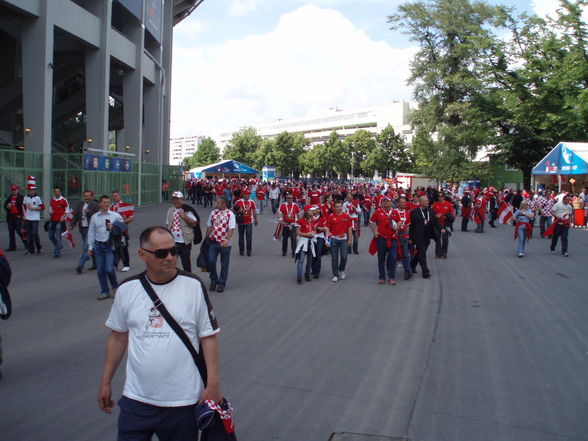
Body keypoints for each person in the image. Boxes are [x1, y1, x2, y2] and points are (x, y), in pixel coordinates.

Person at [97, 226, 222, 441]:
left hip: (182, 403)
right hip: (136, 400)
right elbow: (118, 337)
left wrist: (213, 385)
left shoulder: (192, 286)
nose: (170, 257)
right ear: (142, 255)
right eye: (162, 253)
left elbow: (208, 337)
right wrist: (106, 382)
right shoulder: (128, 289)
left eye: (173, 251)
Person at [88, 195, 124, 300]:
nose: (106, 204)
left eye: (108, 202)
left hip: (110, 246)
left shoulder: (115, 216)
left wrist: (114, 227)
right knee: (100, 271)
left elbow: (123, 227)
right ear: (100, 204)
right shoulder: (95, 217)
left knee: (109, 269)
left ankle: (115, 286)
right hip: (98, 246)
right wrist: (90, 247)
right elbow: (91, 232)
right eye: (104, 202)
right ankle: (104, 291)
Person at [206, 196, 236, 293]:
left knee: (224, 264)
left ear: (224, 204)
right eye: (216, 202)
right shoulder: (213, 212)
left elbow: (231, 229)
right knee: (211, 261)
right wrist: (206, 239)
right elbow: (209, 226)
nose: (216, 204)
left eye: (218, 202)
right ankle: (214, 280)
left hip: (224, 244)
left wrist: (227, 240)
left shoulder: (230, 214)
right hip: (213, 242)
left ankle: (221, 284)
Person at [165, 191, 200, 273]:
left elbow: (194, 223)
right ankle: (171, 280)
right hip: (172, 242)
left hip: (184, 242)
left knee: (186, 264)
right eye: (173, 199)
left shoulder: (187, 210)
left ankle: (189, 280)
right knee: (171, 263)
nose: (175, 201)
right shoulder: (170, 210)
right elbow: (168, 224)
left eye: (177, 199)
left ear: (181, 199)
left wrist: (184, 217)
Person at [409, 196, 443, 279]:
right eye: (426, 201)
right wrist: (410, 238)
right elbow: (411, 226)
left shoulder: (431, 211)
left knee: (420, 253)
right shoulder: (414, 212)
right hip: (418, 237)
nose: (428, 202)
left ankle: (412, 265)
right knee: (422, 254)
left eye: (428, 200)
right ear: (421, 203)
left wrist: (442, 228)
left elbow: (436, 222)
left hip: (427, 236)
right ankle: (425, 272)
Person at [369, 196, 399, 285]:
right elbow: (371, 221)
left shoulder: (395, 212)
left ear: (391, 202)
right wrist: (374, 231)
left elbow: (399, 222)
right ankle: (382, 277)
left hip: (392, 238)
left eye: (387, 201)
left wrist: (398, 226)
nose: (385, 202)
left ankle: (392, 276)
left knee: (393, 257)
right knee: (381, 258)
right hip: (381, 238)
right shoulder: (378, 212)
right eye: (384, 201)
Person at [69, 190, 99, 274]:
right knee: (91, 247)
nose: (86, 197)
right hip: (83, 228)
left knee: (86, 247)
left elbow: (98, 216)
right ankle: (95, 264)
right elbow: (75, 215)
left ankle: (80, 266)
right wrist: (72, 224)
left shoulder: (95, 205)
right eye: (85, 196)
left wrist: (89, 212)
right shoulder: (80, 204)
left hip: (91, 229)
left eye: (88, 196)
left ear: (91, 197)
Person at [324, 200, 352, 282]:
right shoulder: (331, 216)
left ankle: (342, 269)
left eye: (340, 206)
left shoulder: (346, 216)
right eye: (337, 207)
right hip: (334, 239)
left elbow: (349, 228)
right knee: (334, 258)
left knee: (344, 256)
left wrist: (350, 239)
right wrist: (326, 240)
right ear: (334, 208)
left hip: (343, 239)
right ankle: (335, 275)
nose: (339, 208)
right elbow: (327, 229)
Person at [110, 190, 134, 272]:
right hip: (112, 231)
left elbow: (131, 218)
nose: (114, 197)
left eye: (116, 195)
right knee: (114, 248)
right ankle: (114, 264)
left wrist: (121, 223)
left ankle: (126, 264)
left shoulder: (126, 206)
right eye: (113, 196)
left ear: (120, 196)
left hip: (123, 231)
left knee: (123, 248)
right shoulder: (110, 207)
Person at [392, 196, 412, 281]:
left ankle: (407, 272)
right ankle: (390, 270)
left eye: (405, 202)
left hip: (403, 236)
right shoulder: (393, 212)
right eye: (402, 202)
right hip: (395, 235)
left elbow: (407, 225)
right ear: (398, 203)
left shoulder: (407, 213)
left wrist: (407, 235)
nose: (404, 204)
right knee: (393, 255)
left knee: (405, 254)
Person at [294, 207, 316, 284]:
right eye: (311, 212)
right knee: (301, 260)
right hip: (303, 241)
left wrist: (313, 234)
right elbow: (298, 232)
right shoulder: (301, 221)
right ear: (307, 213)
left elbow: (314, 230)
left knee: (310, 260)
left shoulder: (312, 222)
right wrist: (307, 234)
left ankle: (307, 275)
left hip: (310, 241)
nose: (312, 214)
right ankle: (299, 277)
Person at [47, 186, 69, 259]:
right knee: (50, 236)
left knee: (58, 235)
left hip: (60, 220)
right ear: (54, 193)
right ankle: (59, 245)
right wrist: (50, 213)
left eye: (58, 192)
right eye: (56, 192)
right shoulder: (52, 200)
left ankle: (57, 252)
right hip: (53, 220)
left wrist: (64, 217)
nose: (57, 193)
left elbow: (67, 210)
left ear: (60, 192)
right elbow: (50, 209)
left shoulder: (63, 200)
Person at [234, 190, 258, 257]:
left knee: (249, 237)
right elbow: (234, 211)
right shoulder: (238, 202)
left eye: (248, 194)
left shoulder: (252, 202)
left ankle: (249, 251)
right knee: (241, 237)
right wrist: (238, 210)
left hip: (249, 222)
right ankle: (241, 250)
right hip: (241, 222)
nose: (248, 196)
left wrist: (256, 220)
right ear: (243, 195)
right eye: (247, 194)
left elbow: (254, 211)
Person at [23, 184, 44, 255]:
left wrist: (34, 208)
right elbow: (24, 207)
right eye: (29, 190)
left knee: (34, 233)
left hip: (35, 218)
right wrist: (24, 215)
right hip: (28, 218)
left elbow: (42, 207)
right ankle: (31, 250)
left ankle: (38, 247)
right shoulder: (26, 197)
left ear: (34, 190)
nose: (30, 191)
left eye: (32, 190)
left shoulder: (38, 198)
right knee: (29, 234)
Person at [3, 185, 26, 251]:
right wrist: (7, 207)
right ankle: (12, 246)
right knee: (11, 233)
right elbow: (5, 205)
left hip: (18, 217)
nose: (13, 191)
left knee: (20, 231)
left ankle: (26, 243)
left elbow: (24, 207)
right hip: (10, 217)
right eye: (12, 190)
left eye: (15, 190)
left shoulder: (21, 197)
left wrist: (22, 215)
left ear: (17, 190)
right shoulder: (9, 197)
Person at [432, 192, 454, 258]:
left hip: (446, 224)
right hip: (437, 224)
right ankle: (438, 253)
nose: (440, 197)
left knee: (445, 239)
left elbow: (452, 214)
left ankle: (444, 252)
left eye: (441, 196)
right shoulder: (435, 204)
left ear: (444, 197)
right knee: (437, 239)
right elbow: (432, 214)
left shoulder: (448, 204)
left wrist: (447, 217)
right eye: (439, 196)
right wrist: (436, 216)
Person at [278, 193, 300, 257]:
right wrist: (280, 219)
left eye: (291, 198)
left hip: (293, 224)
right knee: (285, 238)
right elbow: (279, 213)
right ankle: (284, 252)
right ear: (286, 198)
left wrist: (299, 222)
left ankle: (294, 252)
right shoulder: (283, 205)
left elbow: (299, 214)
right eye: (288, 198)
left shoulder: (295, 205)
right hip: (285, 224)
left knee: (293, 238)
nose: (290, 199)